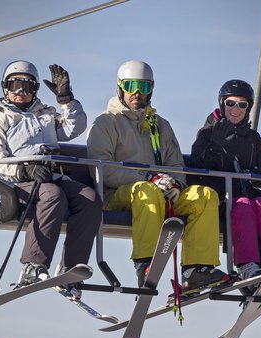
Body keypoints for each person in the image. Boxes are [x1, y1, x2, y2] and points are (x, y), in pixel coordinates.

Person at [86, 60, 227, 292]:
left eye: (143, 87)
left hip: (160, 191)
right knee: (147, 191)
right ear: (120, 88)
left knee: (204, 195)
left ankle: (196, 270)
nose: (137, 93)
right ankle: (146, 263)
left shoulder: (159, 125)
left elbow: (175, 163)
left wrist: (176, 185)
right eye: (131, 86)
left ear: (152, 89)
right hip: (119, 195)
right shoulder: (106, 123)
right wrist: (147, 177)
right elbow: (101, 168)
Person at [0, 60, 102, 299]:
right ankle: (32, 265)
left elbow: (74, 128)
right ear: (5, 88)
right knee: (53, 196)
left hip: (50, 176)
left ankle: (71, 270)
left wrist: (66, 100)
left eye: (26, 86)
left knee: (89, 198)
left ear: (35, 89)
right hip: (14, 184)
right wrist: (24, 170)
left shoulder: (44, 114)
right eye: (14, 85)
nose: (20, 92)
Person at [188, 79, 261, 281]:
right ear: (222, 104)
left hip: (245, 194)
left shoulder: (252, 139)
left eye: (242, 104)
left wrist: (251, 174)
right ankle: (247, 265)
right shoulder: (207, 133)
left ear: (248, 108)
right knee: (243, 206)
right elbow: (195, 169)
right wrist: (214, 146)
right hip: (218, 199)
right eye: (231, 103)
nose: (236, 109)